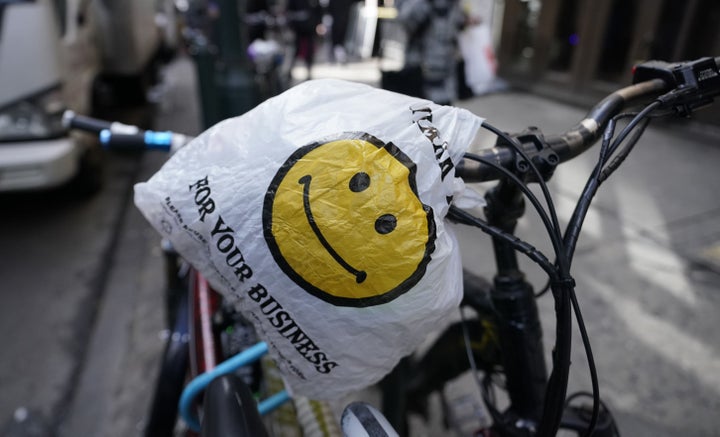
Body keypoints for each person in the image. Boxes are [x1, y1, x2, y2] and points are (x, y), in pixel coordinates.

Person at [396, 0, 471, 105]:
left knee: (443, 113)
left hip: (446, 72)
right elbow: (407, 22)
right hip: (419, 68)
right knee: (417, 111)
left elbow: (455, 21)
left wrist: (465, 21)